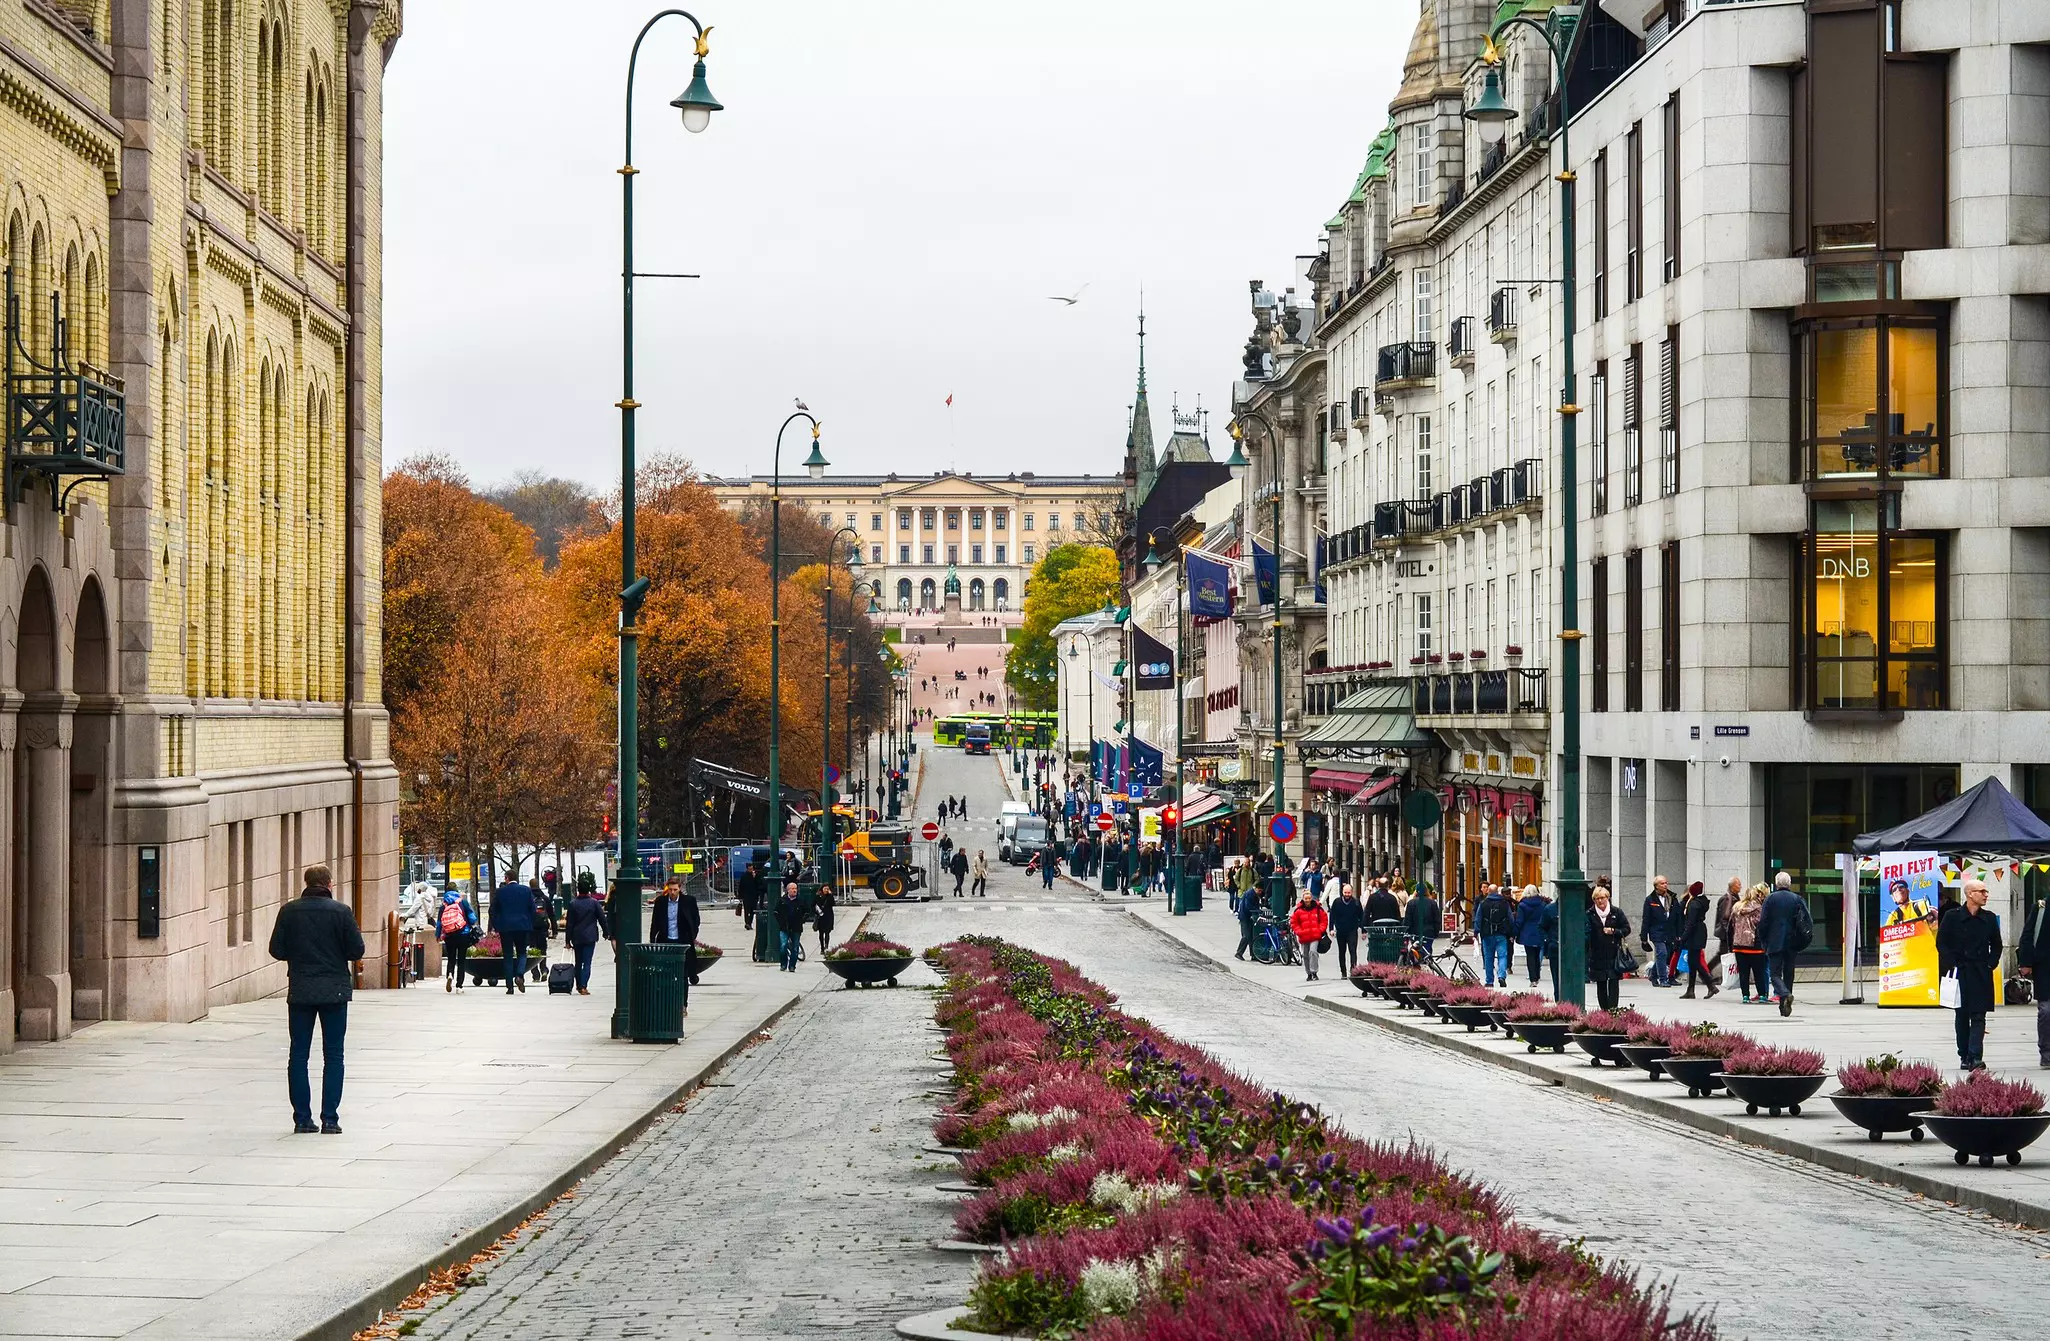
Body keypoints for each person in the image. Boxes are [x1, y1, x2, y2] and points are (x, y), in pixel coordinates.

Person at [266, 864, 363, 1135]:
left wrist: (299, 955)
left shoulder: (289, 911)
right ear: (329, 884)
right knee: (334, 1054)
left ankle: (302, 1119)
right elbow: (357, 950)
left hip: (301, 989)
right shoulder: (341, 912)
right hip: (334, 990)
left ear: (307, 883)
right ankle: (330, 1119)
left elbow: (276, 949)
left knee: (298, 1054)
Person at [1937, 878, 2001, 1071]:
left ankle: (1975, 1057)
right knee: (1962, 1015)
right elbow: (1941, 942)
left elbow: (1997, 945)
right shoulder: (1952, 916)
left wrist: (1991, 963)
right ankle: (1964, 1054)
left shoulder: (1989, 918)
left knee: (1979, 1015)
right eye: (1981, 891)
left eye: (1986, 891)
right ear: (1970, 894)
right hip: (1960, 972)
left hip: (1981, 971)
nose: (1986, 895)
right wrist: (1952, 964)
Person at [1756, 872, 1811, 1016]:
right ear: (1789, 883)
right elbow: (1806, 920)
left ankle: (1785, 995)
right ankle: (1785, 1004)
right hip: (1792, 941)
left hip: (1774, 942)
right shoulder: (1797, 899)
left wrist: (1763, 940)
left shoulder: (1770, 899)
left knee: (1774, 974)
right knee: (1788, 973)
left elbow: (1763, 922)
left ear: (1776, 883)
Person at [489, 875, 540, 994]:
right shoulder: (526, 890)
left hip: (505, 928)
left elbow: (492, 910)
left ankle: (509, 986)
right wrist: (529, 923)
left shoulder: (500, 891)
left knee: (508, 955)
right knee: (522, 952)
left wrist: (497, 925)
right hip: (522, 926)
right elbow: (533, 909)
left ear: (507, 878)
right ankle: (519, 975)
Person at [2016, 892, 2050, 1068]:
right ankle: (2047, 1053)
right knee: (2046, 1010)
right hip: (2045, 967)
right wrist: (2025, 962)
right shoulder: (2041, 907)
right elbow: (2028, 935)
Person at [1587, 885, 1632, 1011]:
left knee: (1613, 982)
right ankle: (1604, 1010)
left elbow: (1626, 929)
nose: (1600, 901)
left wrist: (1614, 931)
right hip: (1597, 954)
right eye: (1596, 898)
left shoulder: (1616, 912)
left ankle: (1613, 1010)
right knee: (1601, 983)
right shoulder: (1590, 914)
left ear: (1608, 898)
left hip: (1614, 953)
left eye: (1602, 898)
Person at [563, 875, 609, 996]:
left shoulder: (573, 904)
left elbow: (570, 924)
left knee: (578, 962)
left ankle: (579, 984)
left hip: (577, 936)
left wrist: (567, 940)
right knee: (587, 962)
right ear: (588, 890)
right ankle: (583, 985)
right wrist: (606, 932)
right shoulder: (594, 903)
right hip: (590, 936)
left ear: (578, 889)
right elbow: (602, 919)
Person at [1676, 880, 1718, 999]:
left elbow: (1691, 923)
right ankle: (1691, 990)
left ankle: (1710, 985)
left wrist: (1683, 937)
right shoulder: (1699, 902)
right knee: (1692, 962)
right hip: (1698, 932)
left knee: (1695, 962)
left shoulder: (1694, 904)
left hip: (1695, 934)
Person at [1730, 882, 1769, 1004]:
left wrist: (1731, 944)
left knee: (1743, 973)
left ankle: (1745, 996)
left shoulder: (1737, 908)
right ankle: (1762, 995)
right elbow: (1762, 925)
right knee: (1759, 972)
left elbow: (1731, 927)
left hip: (1739, 946)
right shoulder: (1758, 908)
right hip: (1754, 945)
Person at [436, 886, 478, 993]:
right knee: (461, 961)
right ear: (456, 891)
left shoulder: (443, 905)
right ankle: (459, 986)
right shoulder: (463, 902)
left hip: (449, 935)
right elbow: (472, 919)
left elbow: (439, 923)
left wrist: (437, 935)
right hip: (463, 934)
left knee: (451, 958)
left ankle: (450, 974)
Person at [1472, 883, 1514, 987]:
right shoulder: (1504, 903)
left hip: (1487, 934)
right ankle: (1501, 976)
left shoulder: (1483, 903)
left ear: (1489, 892)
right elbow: (1511, 919)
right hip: (1502, 934)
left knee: (1488, 957)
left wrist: (1476, 932)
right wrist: (1512, 932)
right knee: (1503, 956)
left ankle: (1489, 981)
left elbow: (1478, 918)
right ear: (1497, 892)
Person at [1641, 877, 1674, 989]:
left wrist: (1679, 932)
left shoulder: (1671, 897)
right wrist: (1644, 937)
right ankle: (1663, 979)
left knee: (1665, 955)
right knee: (1662, 953)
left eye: (1666, 883)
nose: (1665, 885)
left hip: (1669, 931)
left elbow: (1677, 915)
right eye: (1662, 883)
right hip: (1656, 931)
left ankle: (1653, 974)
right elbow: (1646, 919)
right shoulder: (1650, 900)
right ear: (1656, 886)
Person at [1290, 890, 1329, 982]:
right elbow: (1294, 923)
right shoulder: (1298, 910)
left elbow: (1324, 920)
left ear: (1311, 898)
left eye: (1309, 898)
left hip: (1315, 935)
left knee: (1313, 952)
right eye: (1306, 898)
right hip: (1304, 936)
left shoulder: (1318, 909)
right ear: (1303, 899)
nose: (1307, 900)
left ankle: (1314, 972)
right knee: (1305, 955)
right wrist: (1299, 931)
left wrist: (1320, 930)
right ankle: (1308, 973)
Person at [1329, 883, 1365, 976]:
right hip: (1340, 930)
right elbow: (1332, 916)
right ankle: (1343, 971)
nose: (1347, 894)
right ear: (1342, 892)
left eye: (1349, 893)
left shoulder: (1356, 902)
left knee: (1353, 950)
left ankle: (1353, 970)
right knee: (1342, 951)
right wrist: (1331, 928)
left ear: (1352, 892)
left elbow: (1361, 917)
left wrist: (1363, 931)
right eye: (1345, 892)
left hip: (1352, 930)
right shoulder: (1337, 902)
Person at [775, 881, 805, 972]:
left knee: (795, 948)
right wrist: (781, 922)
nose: (794, 890)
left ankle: (792, 966)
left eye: (795, 888)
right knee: (783, 946)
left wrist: (801, 920)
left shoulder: (801, 901)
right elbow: (776, 912)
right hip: (784, 927)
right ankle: (783, 964)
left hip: (796, 927)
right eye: (792, 889)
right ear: (788, 890)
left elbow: (807, 911)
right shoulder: (782, 901)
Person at [1404, 883, 1442, 955]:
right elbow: (1437, 919)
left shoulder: (1411, 903)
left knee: (1416, 951)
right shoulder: (1432, 903)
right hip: (1429, 932)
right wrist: (1436, 932)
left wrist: (1407, 932)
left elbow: (1408, 920)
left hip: (1415, 932)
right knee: (1427, 950)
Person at [1235, 875, 1263, 961]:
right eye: (1260, 891)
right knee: (1247, 936)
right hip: (1245, 917)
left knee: (1251, 936)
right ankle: (1239, 953)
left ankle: (1253, 954)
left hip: (1247, 917)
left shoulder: (1252, 893)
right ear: (1257, 889)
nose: (1261, 892)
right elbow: (1248, 906)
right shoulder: (1250, 894)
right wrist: (1257, 911)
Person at [738, 860, 763, 930]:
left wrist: (755, 878)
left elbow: (759, 884)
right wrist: (740, 896)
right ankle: (747, 923)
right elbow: (741, 886)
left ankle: (750, 923)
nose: (751, 870)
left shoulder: (756, 875)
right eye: (749, 869)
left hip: (754, 895)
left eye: (752, 869)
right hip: (746, 896)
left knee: (752, 910)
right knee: (747, 910)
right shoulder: (744, 876)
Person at [814, 884, 836, 956]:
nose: (826, 890)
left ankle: (826, 945)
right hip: (820, 917)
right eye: (825, 889)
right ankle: (822, 948)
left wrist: (830, 895)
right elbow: (813, 905)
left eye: (827, 889)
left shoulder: (829, 896)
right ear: (822, 889)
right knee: (821, 933)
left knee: (827, 932)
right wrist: (817, 912)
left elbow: (833, 903)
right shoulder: (818, 896)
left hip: (828, 916)